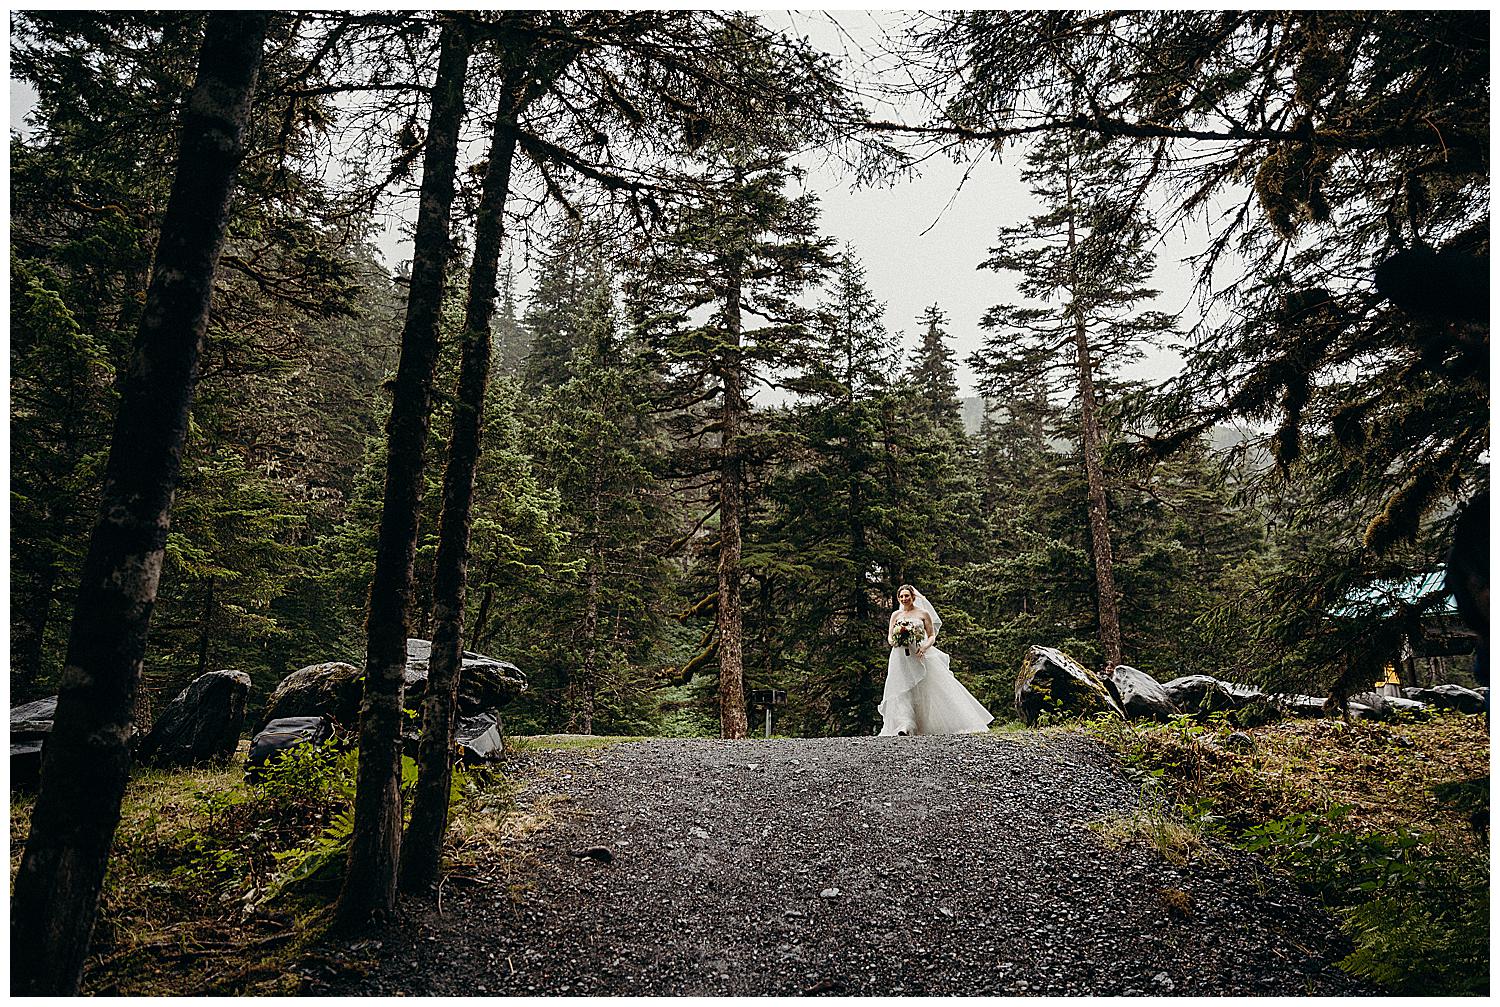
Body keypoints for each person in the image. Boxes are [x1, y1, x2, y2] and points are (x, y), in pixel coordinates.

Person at [878, 584, 993, 736]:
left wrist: (924, 647)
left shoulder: (923, 614)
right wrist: (893, 641)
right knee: (902, 689)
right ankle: (904, 725)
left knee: (924, 689)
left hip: (919, 654)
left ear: (913, 597)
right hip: (899, 656)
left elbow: (931, 635)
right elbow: (890, 634)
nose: (904, 599)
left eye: (907, 596)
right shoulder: (896, 615)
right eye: (901, 596)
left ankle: (923, 724)